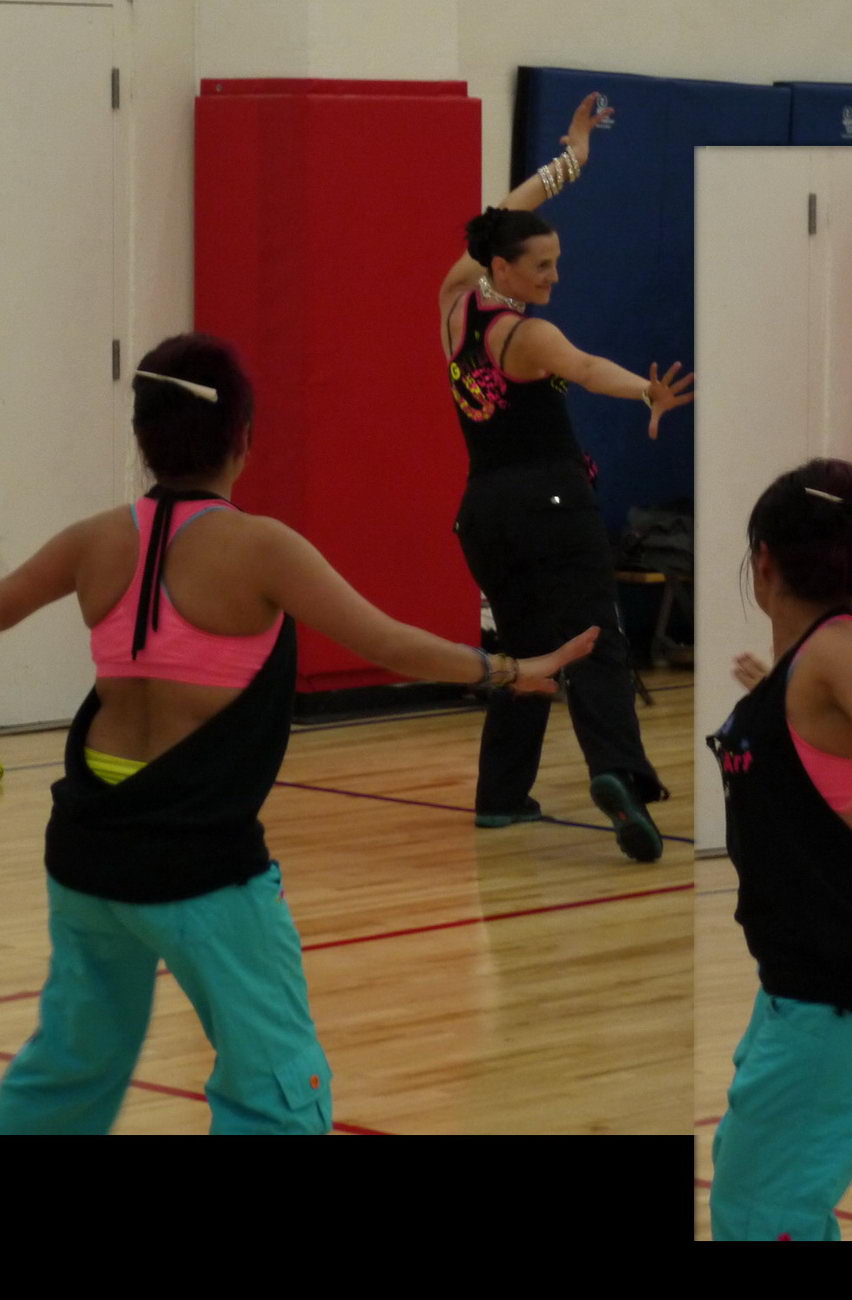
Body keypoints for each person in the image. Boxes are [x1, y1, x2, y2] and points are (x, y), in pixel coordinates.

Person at [0, 334, 591, 1135]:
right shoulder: (261, 547)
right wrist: (510, 670)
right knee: (275, 1090)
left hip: (86, 859)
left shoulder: (92, 539)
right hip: (199, 867)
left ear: (142, 435)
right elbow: (389, 643)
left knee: (67, 1072)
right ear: (243, 438)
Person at [436, 89, 695, 858]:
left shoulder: (454, 305)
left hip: (484, 510)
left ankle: (501, 795)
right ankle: (619, 773)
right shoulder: (530, 335)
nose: (554, 276)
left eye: (556, 261)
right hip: (551, 502)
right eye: (542, 266)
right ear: (504, 268)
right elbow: (585, 368)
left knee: (523, 647)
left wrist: (572, 162)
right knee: (597, 638)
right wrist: (646, 391)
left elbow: (502, 214)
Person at [705, 459, 852, 1241]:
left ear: (763, 558)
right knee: (756, 1198)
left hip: (842, 990)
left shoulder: (840, 647)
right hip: (799, 985)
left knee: (762, 1214)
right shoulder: (806, 666)